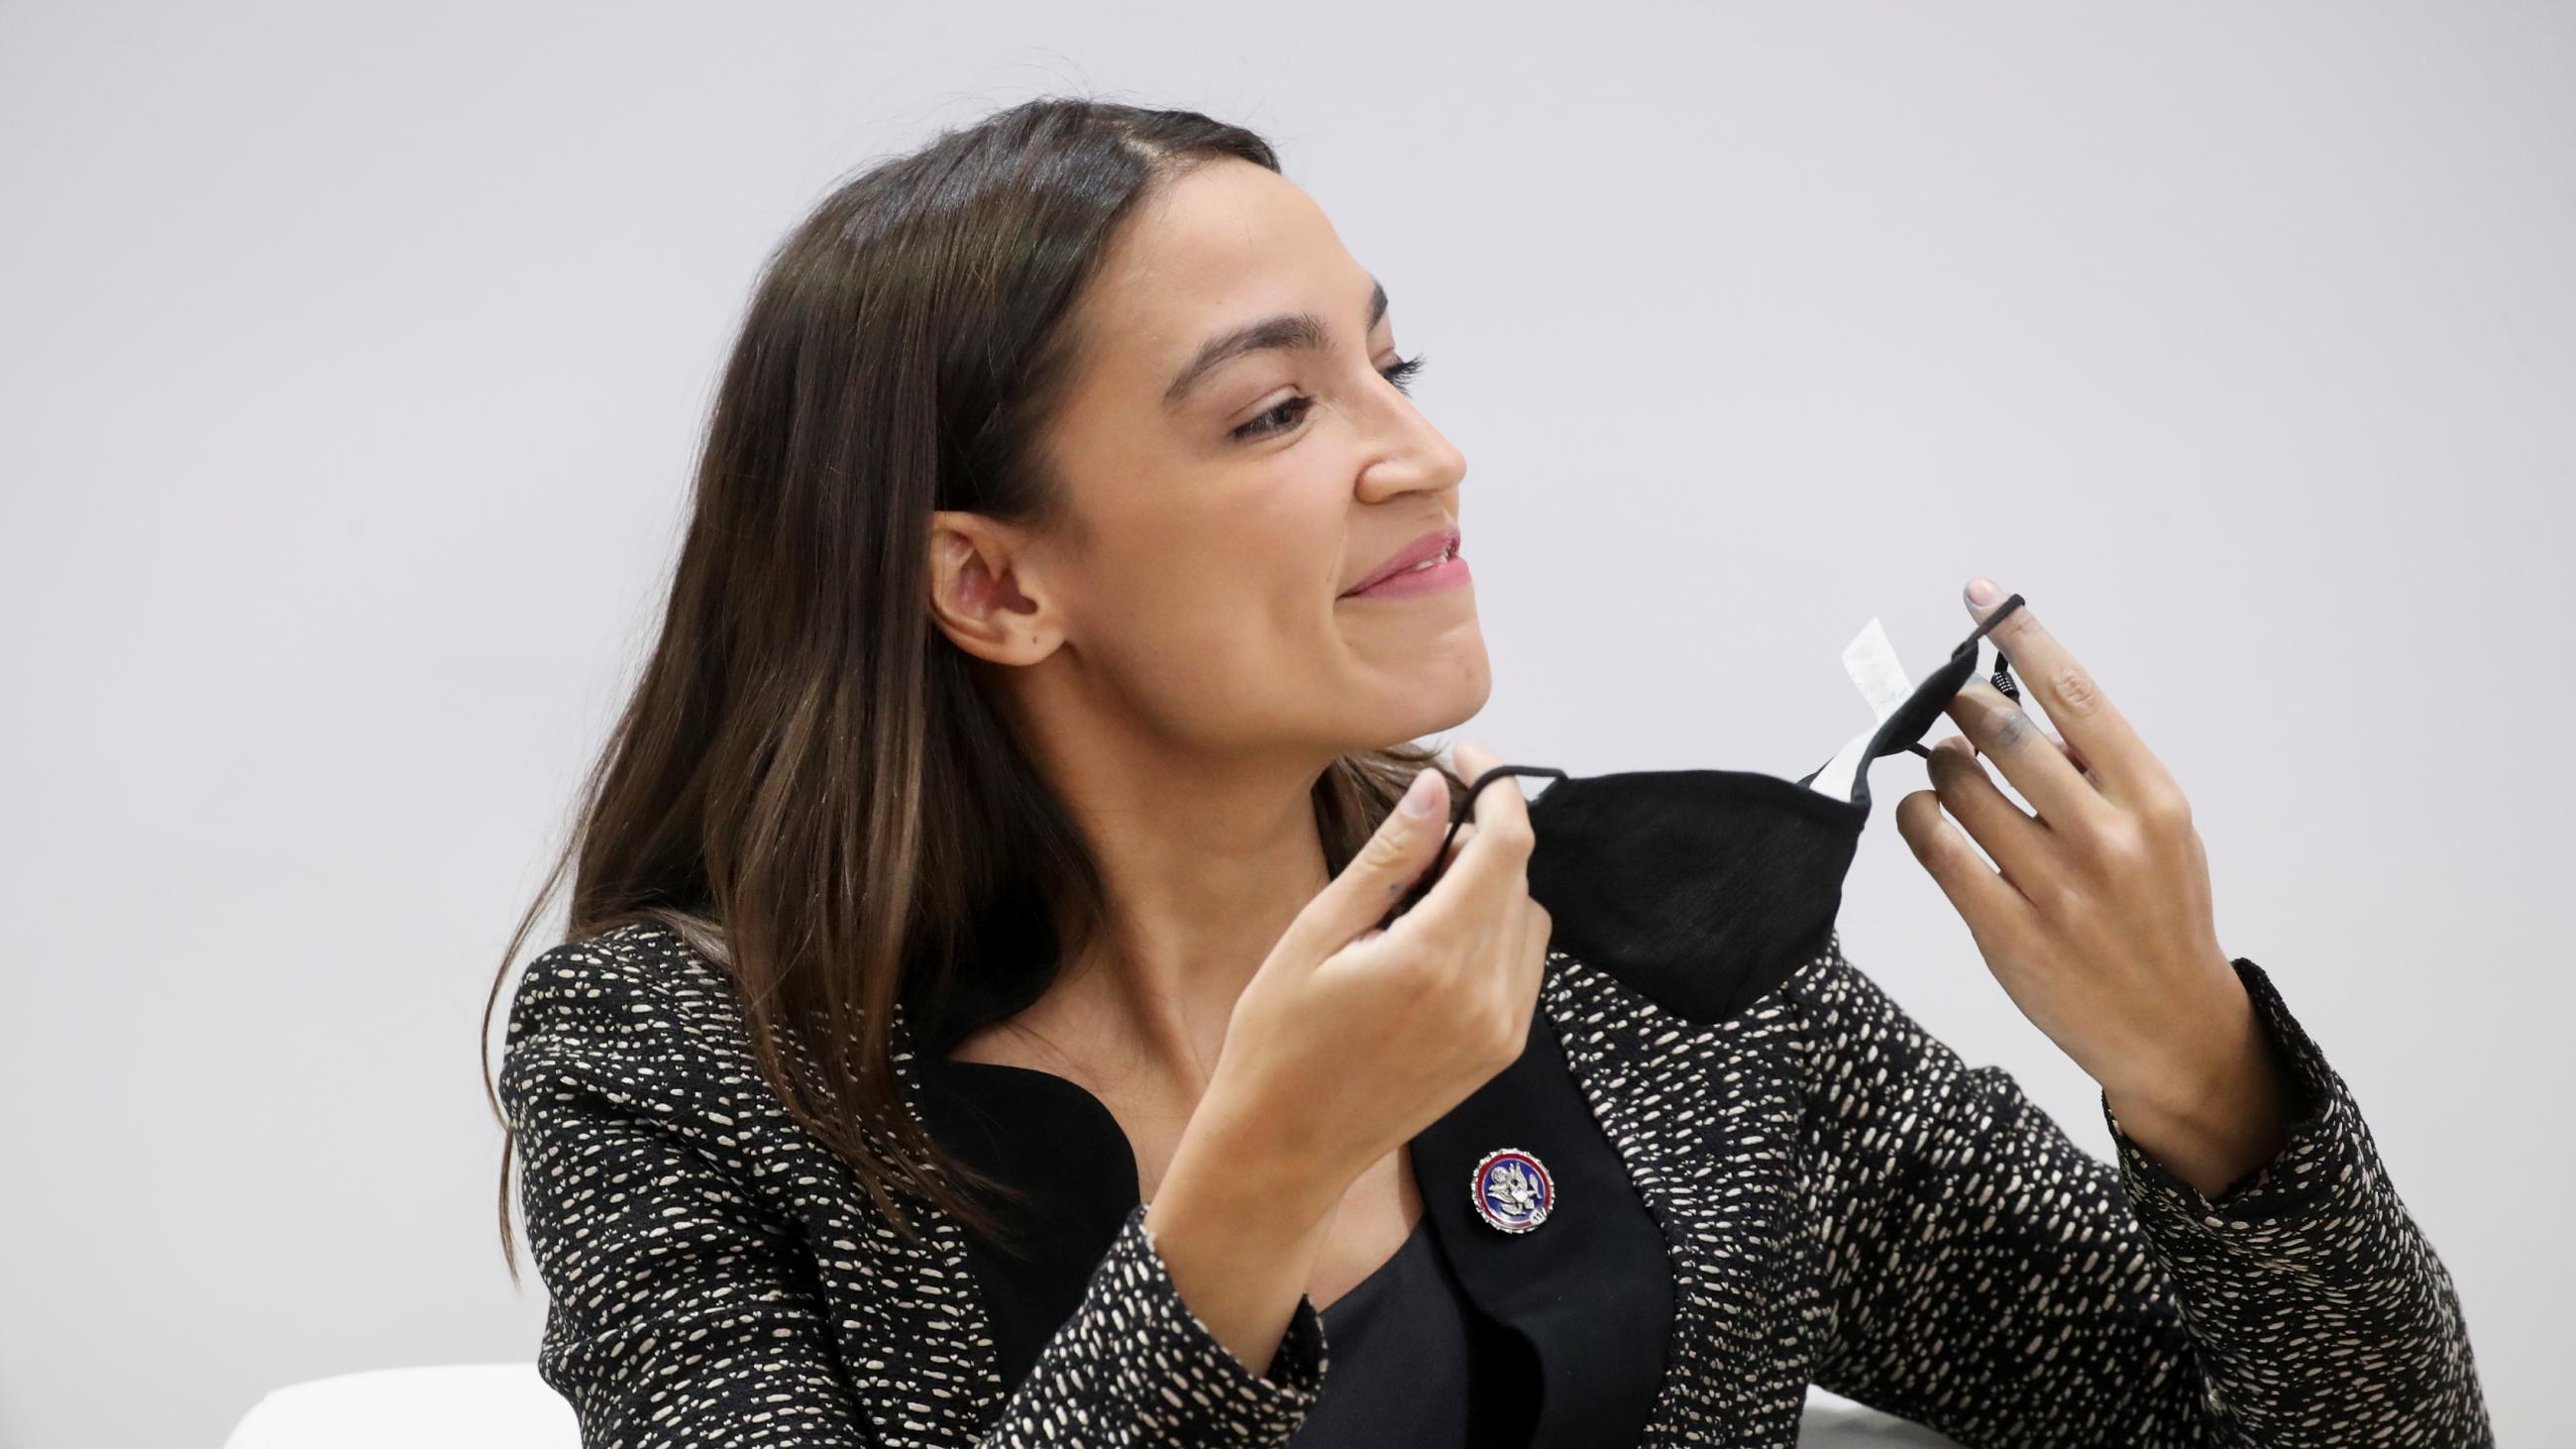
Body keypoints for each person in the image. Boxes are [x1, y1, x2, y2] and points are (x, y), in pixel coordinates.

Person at [483, 95, 2493, 1446]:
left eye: (1392, 367)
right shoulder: (680, 1055)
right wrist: (1249, 1190)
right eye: (1276, 408)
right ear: (992, 581)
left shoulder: (1633, 936)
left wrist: (2201, 1076)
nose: (1420, 454)